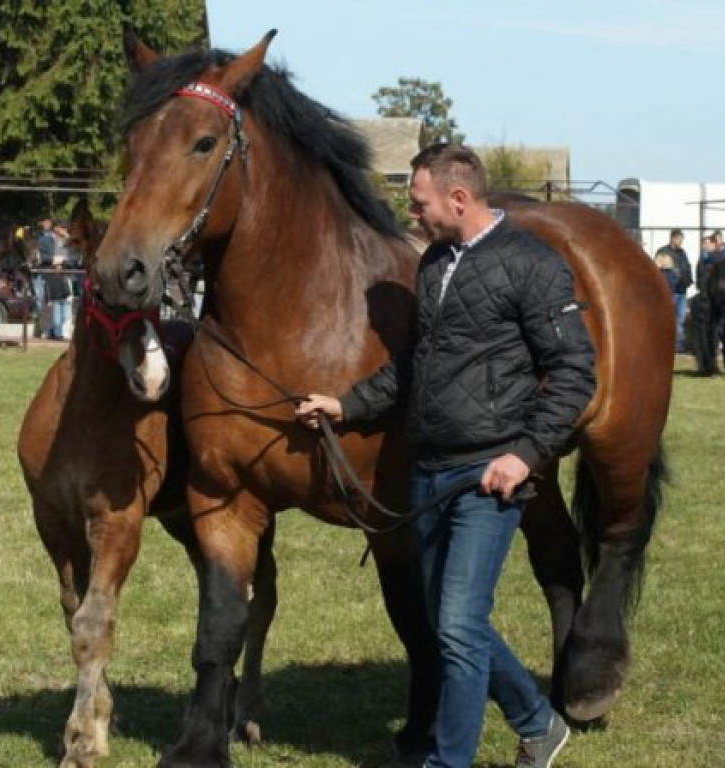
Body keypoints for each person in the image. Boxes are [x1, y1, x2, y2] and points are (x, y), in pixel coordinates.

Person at [295, 143, 595, 768]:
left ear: (458, 198)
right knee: (446, 621)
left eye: (419, 203)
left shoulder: (533, 264)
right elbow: (417, 362)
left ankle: (445, 760)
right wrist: (347, 405)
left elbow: (573, 371)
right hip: (429, 471)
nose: (413, 214)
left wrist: (524, 456)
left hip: (490, 475)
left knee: (458, 624)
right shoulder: (434, 263)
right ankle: (537, 722)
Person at [655, 229, 693, 352]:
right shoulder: (663, 252)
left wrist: (688, 281)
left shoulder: (682, 252)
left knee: (680, 319)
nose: (680, 242)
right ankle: (666, 343)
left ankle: (678, 346)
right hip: (671, 291)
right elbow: (658, 270)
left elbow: (686, 267)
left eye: (682, 239)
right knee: (669, 318)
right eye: (679, 239)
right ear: (672, 238)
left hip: (682, 290)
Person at [33, 217, 56, 336]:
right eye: (44, 222)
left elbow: (52, 256)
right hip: (37, 271)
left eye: (48, 223)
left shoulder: (52, 238)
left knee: (47, 301)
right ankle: (43, 328)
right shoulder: (37, 236)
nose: (45, 224)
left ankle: (48, 328)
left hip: (47, 271)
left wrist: (40, 257)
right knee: (39, 300)